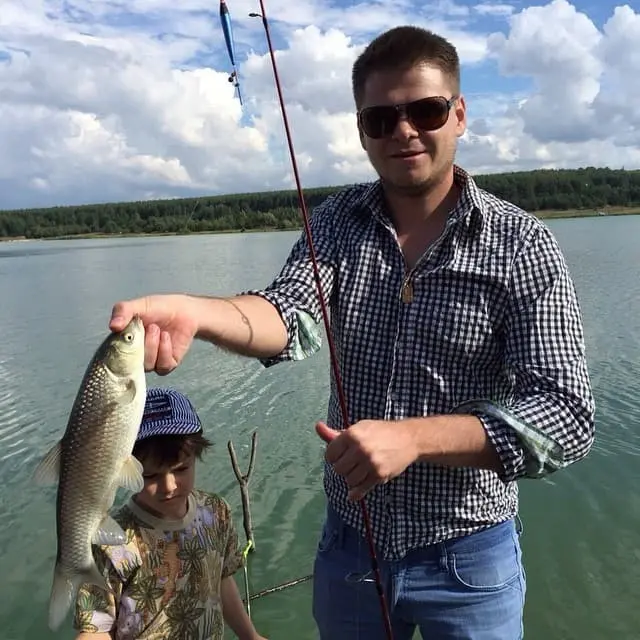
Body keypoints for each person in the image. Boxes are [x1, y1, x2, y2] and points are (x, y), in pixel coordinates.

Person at [106, 25, 595, 640]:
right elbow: (287, 315)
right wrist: (197, 313)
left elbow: (565, 415)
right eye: (381, 119)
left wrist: (414, 439)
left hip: (469, 557)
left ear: (460, 114)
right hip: (350, 550)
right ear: (362, 130)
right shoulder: (336, 222)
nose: (405, 131)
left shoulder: (522, 244)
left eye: (426, 110)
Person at [73, 386, 268, 640]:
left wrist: (250, 635)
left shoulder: (216, 512)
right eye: (151, 476)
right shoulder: (111, 539)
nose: (168, 486)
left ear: (197, 456)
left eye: (180, 469)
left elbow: (221, 579)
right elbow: (95, 628)